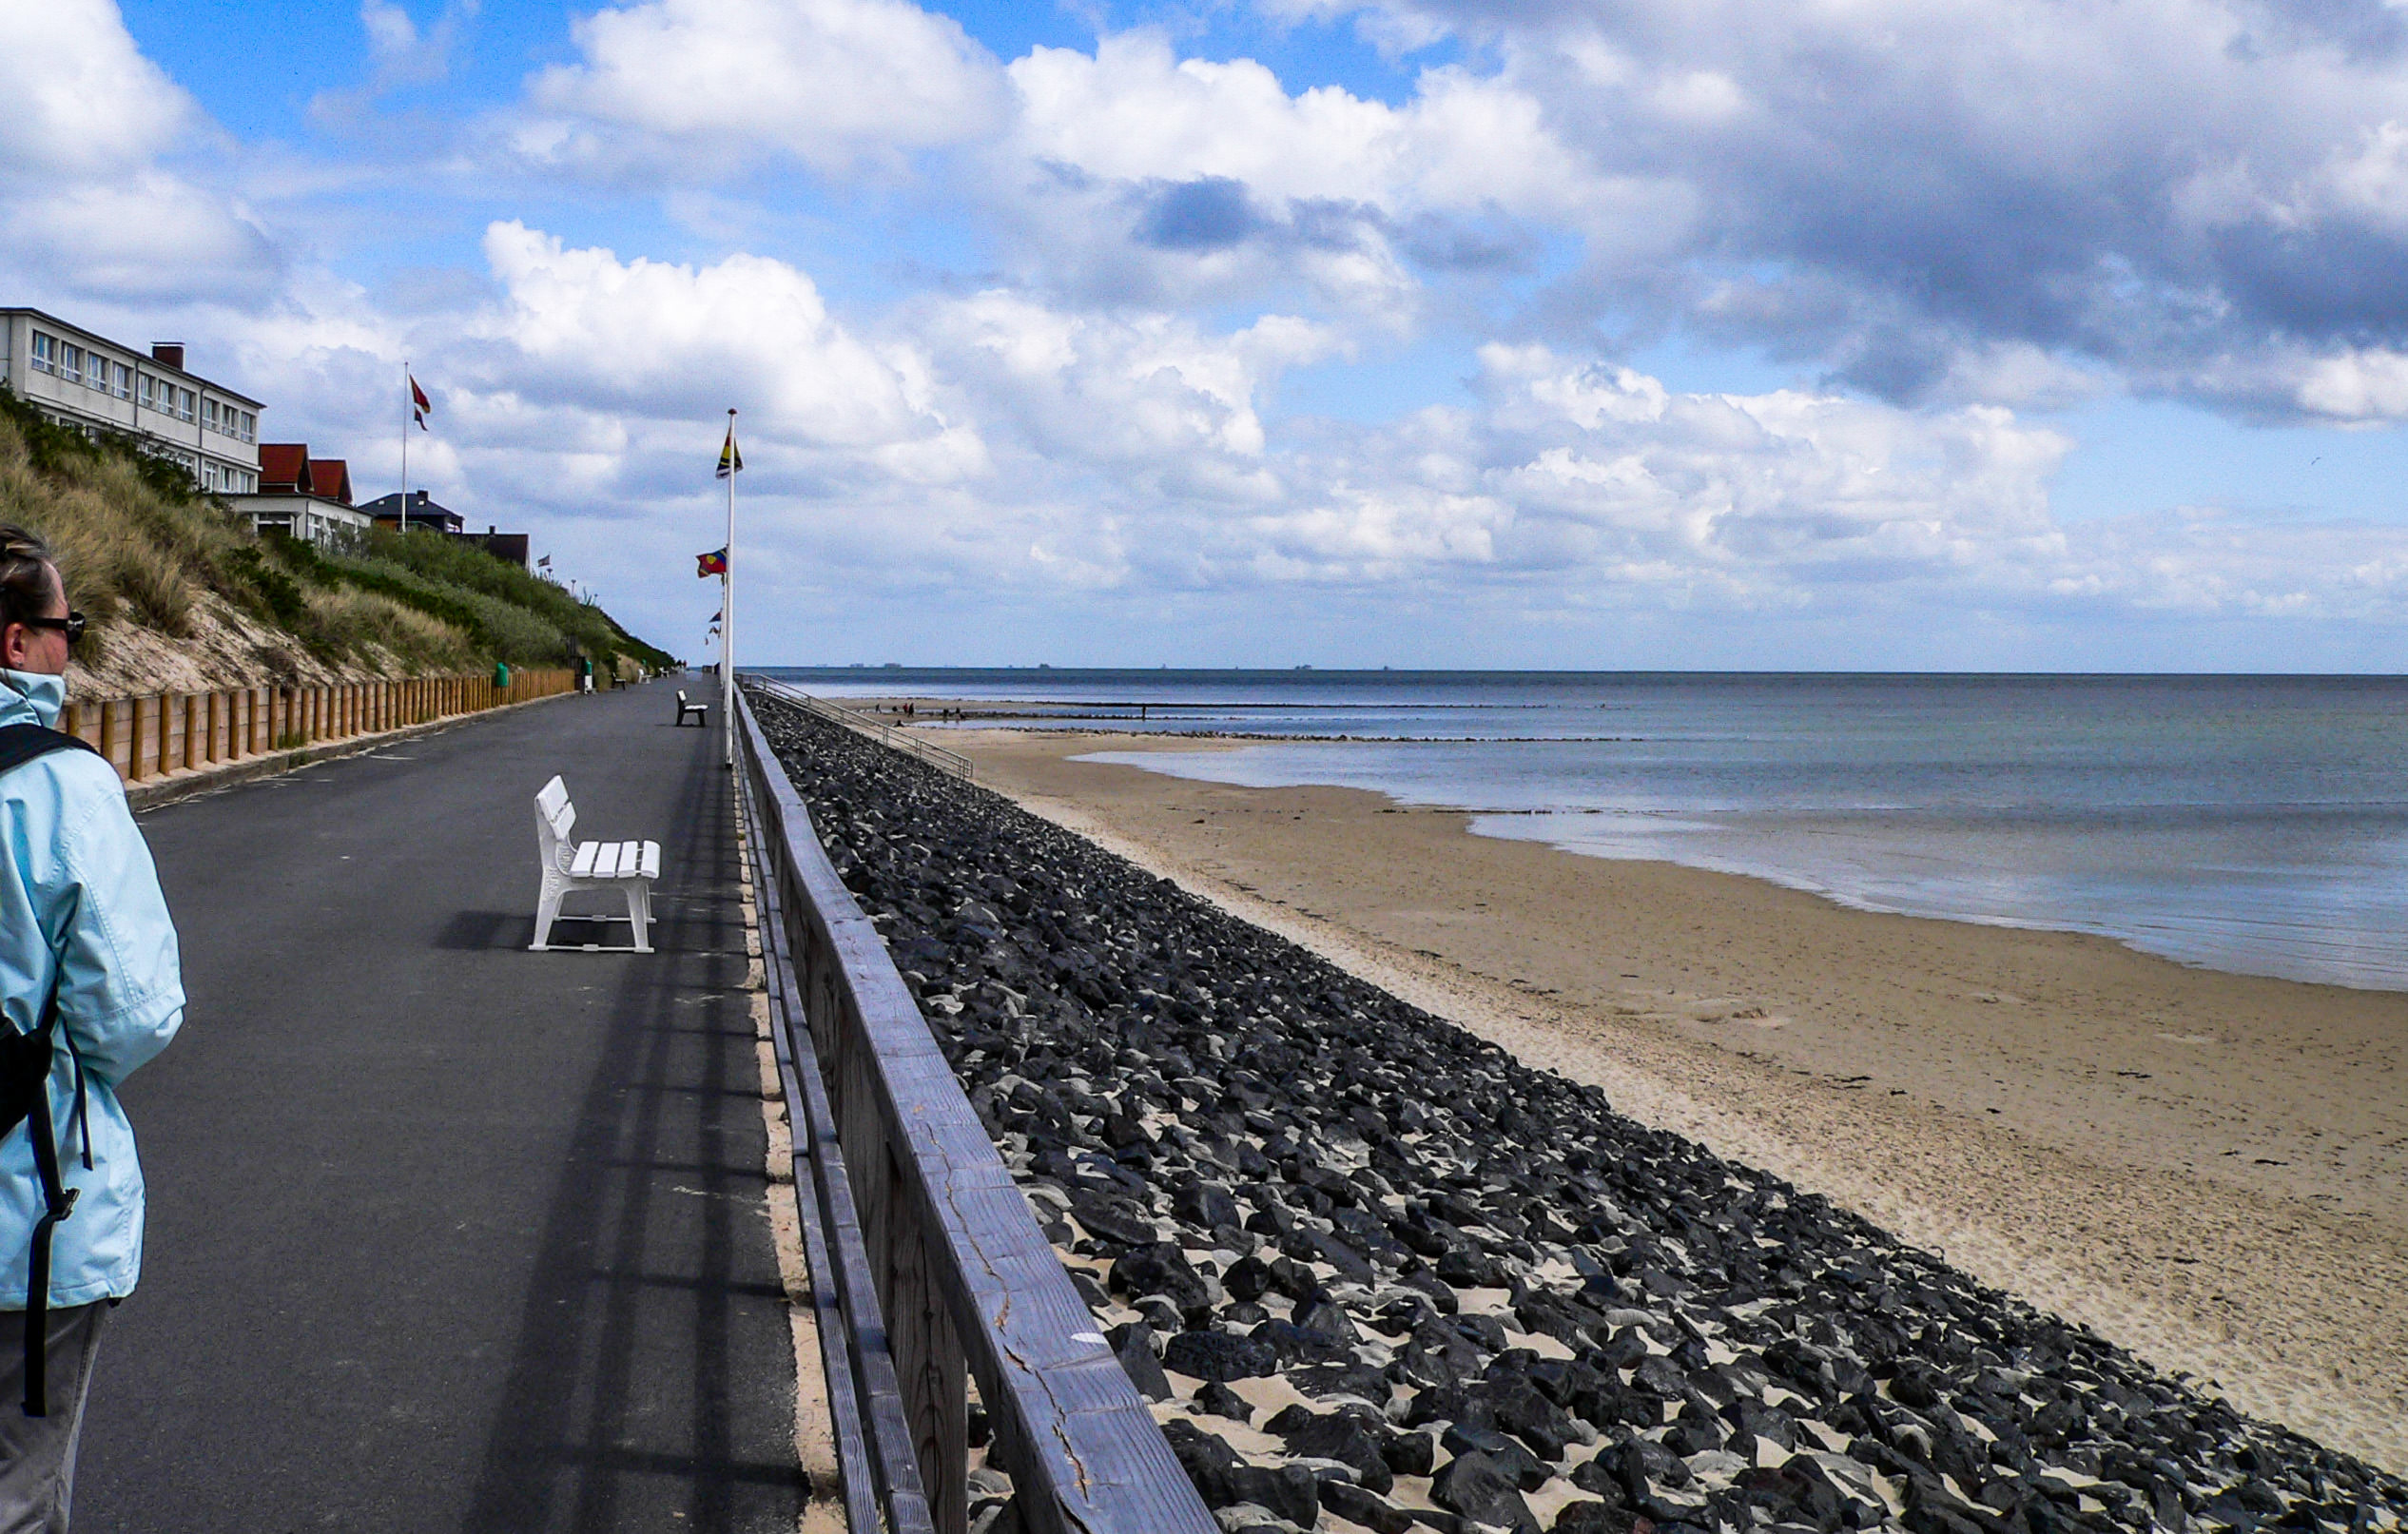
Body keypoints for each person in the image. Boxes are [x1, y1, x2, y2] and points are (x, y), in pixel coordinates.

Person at [0, 527, 184, 1529]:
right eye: (67, 627)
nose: (71, 646)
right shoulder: (61, 786)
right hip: (27, 1211)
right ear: (17, 642)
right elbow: (133, 1014)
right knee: (20, 1489)